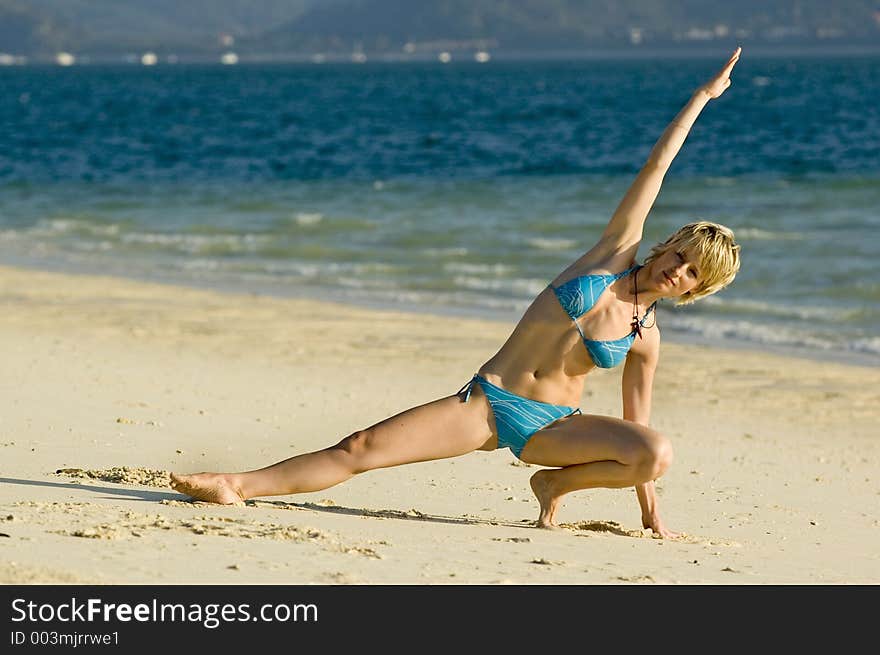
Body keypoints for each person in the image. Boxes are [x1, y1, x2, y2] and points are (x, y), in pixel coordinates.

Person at [171, 48, 743, 539]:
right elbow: (658, 164)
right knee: (362, 448)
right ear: (667, 245)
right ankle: (236, 484)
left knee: (656, 450)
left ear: (698, 290)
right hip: (489, 404)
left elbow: (636, 427)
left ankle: (553, 483)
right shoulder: (612, 254)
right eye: (681, 255)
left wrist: (651, 514)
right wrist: (701, 97)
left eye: (694, 273)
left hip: (554, 430)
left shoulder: (646, 338)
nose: (679, 270)